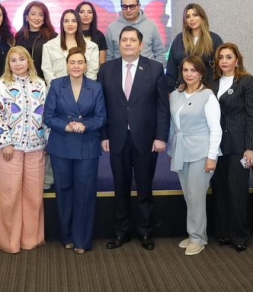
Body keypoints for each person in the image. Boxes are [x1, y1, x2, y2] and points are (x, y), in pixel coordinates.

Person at [97, 26, 169, 251]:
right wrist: (104, 135)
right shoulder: (106, 70)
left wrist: (161, 137)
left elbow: (162, 106)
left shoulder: (155, 68)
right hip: (117, 138)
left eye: (132, 40)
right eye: (124, 40)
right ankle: (121, 232)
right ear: (118, 44)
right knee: (121, 188)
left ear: (141, 45)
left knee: (145, 188)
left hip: (146, 139)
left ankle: (145, 232)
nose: (128, 44)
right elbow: (101, 106)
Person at [44, 47, 107, 253]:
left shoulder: (96, 87)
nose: (76, 66)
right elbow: (48, 116)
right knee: (63, 192)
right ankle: (67, 236)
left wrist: (85, 125)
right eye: (72, 62)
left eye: (80, 62)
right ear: (67, 65)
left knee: (85, 193)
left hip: (87, 147)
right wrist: (66, 126)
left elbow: (101, 117)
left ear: (86, 66)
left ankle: (82, 240)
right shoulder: (56, 85)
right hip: (61, 146)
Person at [0, 46, 48, 253]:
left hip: (36, 147)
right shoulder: (2, 84)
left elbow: (46, 114)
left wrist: (47, 141)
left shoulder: (40, 84)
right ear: (9, 64)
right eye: (13, 60)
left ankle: (31, 240)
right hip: (9, 149)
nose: (18, 64)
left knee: (34, 196)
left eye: (21, 59)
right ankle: (9, 242)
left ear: (28, 61)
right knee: (9, 197)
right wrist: (5, 142)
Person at [167, 56, 221, 256]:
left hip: (201, 151)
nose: (189, 74)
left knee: (197, 195)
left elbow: (216, 129)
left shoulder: (208, 96)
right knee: (188, 194)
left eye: (193, 70)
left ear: (201, 73)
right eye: (185, 70)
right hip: (181, 150)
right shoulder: (176, 94)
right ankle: (193, 234)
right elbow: (173, 124)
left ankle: (199, 238)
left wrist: (212, 156)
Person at [210, 43, 253, 252]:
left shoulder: (246, 81)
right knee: (220, 189)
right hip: (217, 145)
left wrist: (251, 147)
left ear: (237, 60)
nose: (224, 61)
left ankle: (239, 235)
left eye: (229, 57)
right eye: (221, 57)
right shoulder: (212, 83)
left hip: (239, 145)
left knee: (237, 191)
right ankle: (223, 233)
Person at [165, 3, 224, 90]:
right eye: (188, 16)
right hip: (183, 89)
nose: (191, 19)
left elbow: (221, 67)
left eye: (195, 15)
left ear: (202, 17)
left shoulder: (214, 39)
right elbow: (171, 68)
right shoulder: (179, 39)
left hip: (208, 89)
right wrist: (170, 90)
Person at [105, 0, 167, 64]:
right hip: (120, 70)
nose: (128, 10)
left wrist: (156, 70)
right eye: (124, 7)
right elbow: (109, 56)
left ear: (139, 6)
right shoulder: (112, 28)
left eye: (132, 6)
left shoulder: (151, 25)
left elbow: (160, 53)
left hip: (147, 70)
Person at [40, 9, 100, 83]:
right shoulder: (49, 46)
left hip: (84, 89)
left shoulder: (91, 47)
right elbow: (48, 73)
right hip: (57, 89)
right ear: (62, 24)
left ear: (78, 24)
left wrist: (82, 89)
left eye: (74, 21)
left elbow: (92, 74)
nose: (70, 24)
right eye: (66, 21)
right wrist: (57, 88)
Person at [15, 1, 55, 72]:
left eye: (41, 15)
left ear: (44, 18)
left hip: (45, 77)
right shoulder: (19, 36)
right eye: (33, 14)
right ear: (26, 17)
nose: (37, 18)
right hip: (24, 76)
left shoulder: (52, 36)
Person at [76, 1, 108, 65]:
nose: (86, 15)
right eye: (82, 12)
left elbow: (102, 63)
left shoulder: (99, 36)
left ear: (93, 15)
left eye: (89, 12)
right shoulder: (72, 34)